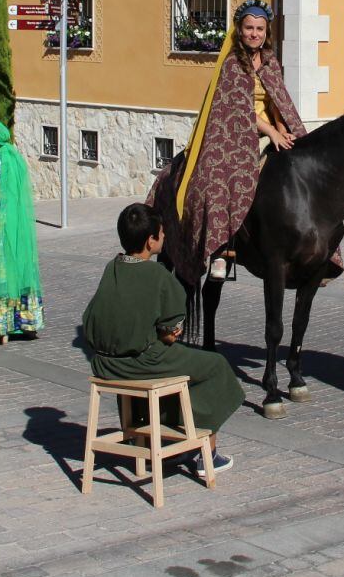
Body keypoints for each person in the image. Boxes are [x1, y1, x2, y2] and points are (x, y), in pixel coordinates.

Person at [151, 0, 329, 286]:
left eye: (259, 28)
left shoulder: (270, 61)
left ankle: (318, 252)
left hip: (269, 126)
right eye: (249, 28)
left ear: (266, 31)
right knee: (218, 176)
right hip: (234, 130)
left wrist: (283, 128)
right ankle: (221, 250)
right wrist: (270, 132)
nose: (254, 34)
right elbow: (237, 108)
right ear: (240, 29)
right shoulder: (232, 63)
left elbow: (277, 101)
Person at [82, 203, 244, 475]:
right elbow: (171, 332)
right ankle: (207, 454)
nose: (165, 236)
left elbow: (92, 318)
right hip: (142, 363)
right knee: (214, 366)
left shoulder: (113, 267)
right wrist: (167, 333)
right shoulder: (157, 275)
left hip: (105, 365)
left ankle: (162, 438)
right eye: (161, 233)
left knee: (177, 367)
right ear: (150, 241)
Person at [0, 120, 44, 342]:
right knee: (20, 270)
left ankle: (1, 326)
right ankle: (27, 322)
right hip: (18, 227)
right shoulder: (16, 159)